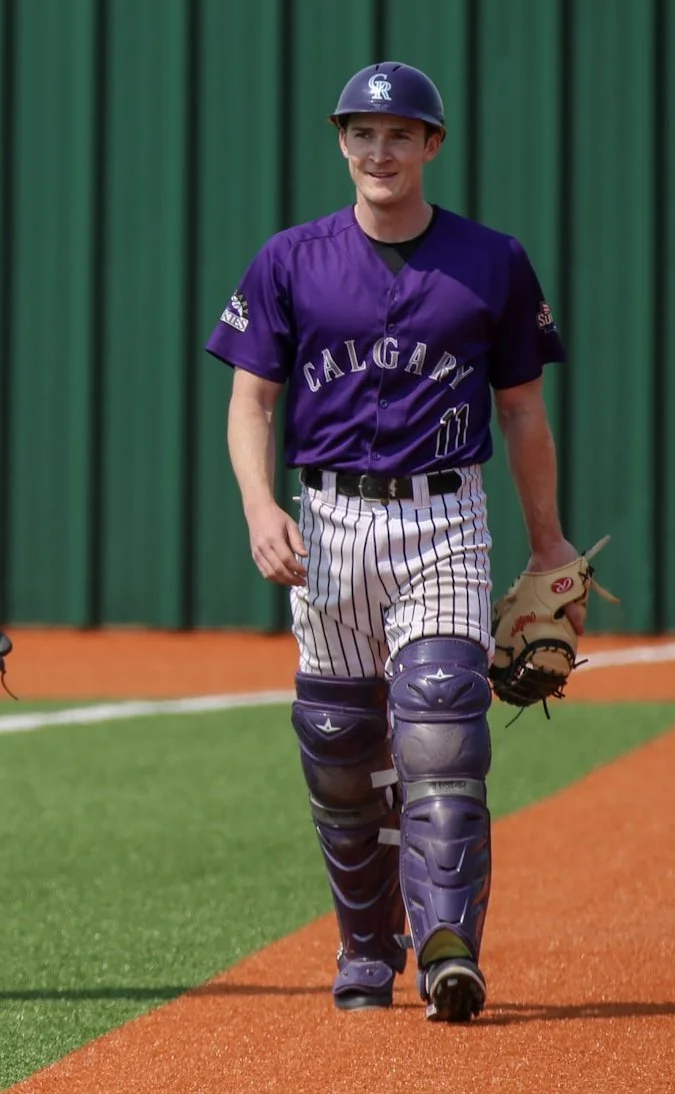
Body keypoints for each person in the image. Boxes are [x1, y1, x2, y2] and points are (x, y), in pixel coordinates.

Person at [205, 61, 581, 1023]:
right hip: (326, 521)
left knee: (441, 722)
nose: (381, 150)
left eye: (400, 133)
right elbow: (251, 401)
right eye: (363, 132)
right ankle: (368, 945)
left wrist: (548, 545)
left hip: (442, 517)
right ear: (341, 142)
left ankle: (449, 942)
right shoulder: (289, 258)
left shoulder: (490, 259)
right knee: (339, 747)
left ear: (432, 146)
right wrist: (257, 505)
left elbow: (523, 412)